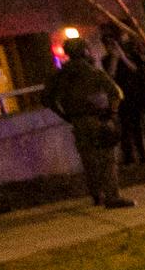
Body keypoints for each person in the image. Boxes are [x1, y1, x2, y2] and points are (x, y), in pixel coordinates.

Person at [45, 34, 132, 208]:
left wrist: (67, 116)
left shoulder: (61, 75)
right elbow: (115, 93)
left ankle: (97, 195)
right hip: (98, 119)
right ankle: (112, 196)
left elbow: (48, 99)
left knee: (89, 160)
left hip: (78, 122)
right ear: (84, 51)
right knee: (107, 159)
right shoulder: (93, 72)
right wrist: (112, 114)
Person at [106, 27, 145, 166]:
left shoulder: (130, 55)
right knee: (125, 129)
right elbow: (110, 75)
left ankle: (143, 155)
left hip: (134, 97)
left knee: (138, 127)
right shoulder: (106, 59)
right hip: (120, 99)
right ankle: (129, 157)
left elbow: (135, 69)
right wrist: (114, 59)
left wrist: (122, 56)